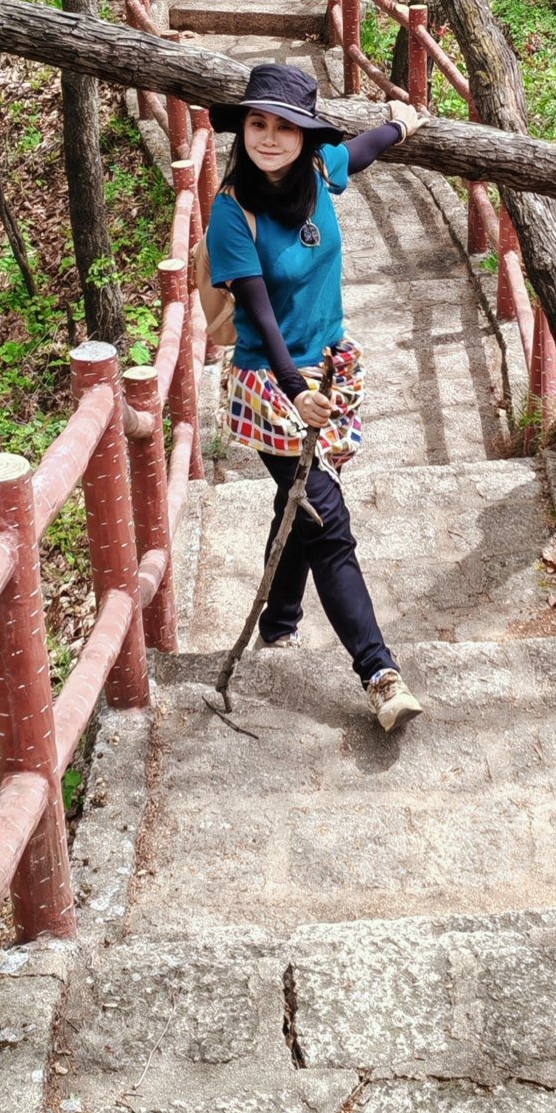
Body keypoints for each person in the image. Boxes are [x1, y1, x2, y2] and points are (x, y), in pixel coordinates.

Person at [205, 61, 425, 735]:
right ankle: (379, 673)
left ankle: (278, 618)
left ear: (305, 136)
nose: (268, 138)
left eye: (284, 126)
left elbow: (359, 152)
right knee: (326, 517)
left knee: (297, 504)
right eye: (257, 123)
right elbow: (261, 314)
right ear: (242, 128)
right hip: (272, 382)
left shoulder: (321, 171)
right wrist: (296, 392)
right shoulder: (232, 210)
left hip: (330, 368)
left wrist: (399, 122)